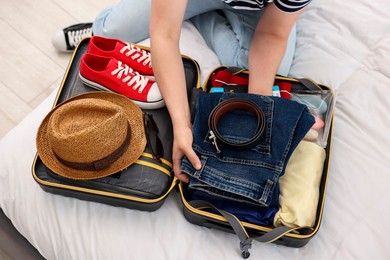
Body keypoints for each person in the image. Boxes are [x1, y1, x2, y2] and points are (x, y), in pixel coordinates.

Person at [52, 0, 312, 183]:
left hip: (260, 9)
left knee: (254, 68)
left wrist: (258, 109)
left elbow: (273, 34)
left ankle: (194, 14)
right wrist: (182, 125)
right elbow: (163, 35)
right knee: (111, 31)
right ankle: (174, 11)